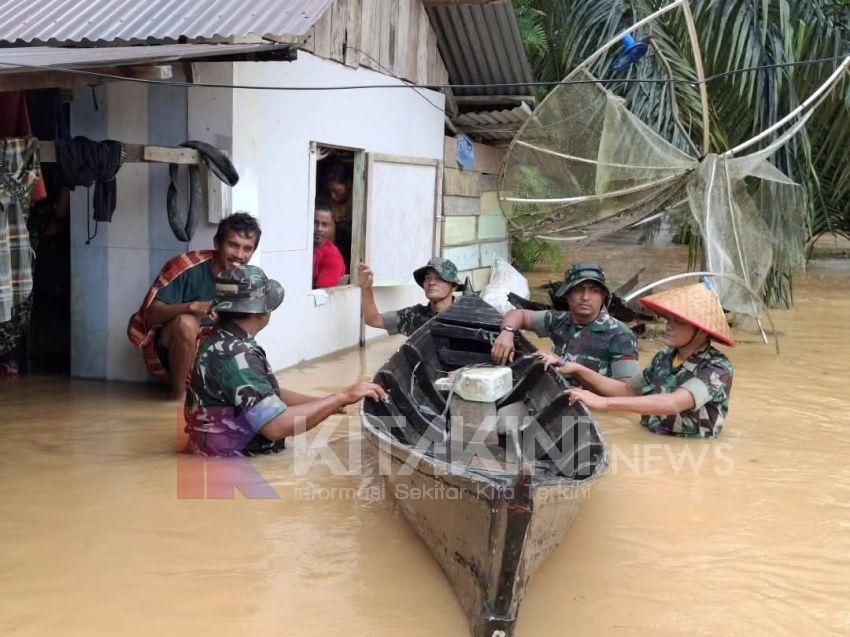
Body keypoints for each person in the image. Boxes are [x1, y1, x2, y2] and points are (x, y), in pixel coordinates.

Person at [182, 265, 388, 456]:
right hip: (236, 466)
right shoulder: (237, 356)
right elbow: (276, 427)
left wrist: (325, 404)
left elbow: (267, 394)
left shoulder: (217, 339)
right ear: (261, 312)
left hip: (209, 455)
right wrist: (343, 396)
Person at [558, 282, 735, 438]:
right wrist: (578, 369)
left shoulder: (718, 367)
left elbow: (672, 403)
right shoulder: (665, 356)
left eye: (679, 322)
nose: (669, 326)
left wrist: (604, 403)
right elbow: (627, 390)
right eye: (669, 319)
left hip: (687, 450)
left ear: (702, 332)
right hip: (651, 437)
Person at [127, 212, 261, 399]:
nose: (239, 255)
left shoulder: (249, 280)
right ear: (217, 244)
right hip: (168, 354)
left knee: (258, 392)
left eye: (247, 249)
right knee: (186, 323)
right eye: (232, 245)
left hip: (215, 356)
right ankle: (178, 395)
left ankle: (311, 409)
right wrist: (192, 307)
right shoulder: (186, 266)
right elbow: (150, 315)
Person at [492, 262, 638, 380]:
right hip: (558, 397)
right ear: (567, 295)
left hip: (591, 409)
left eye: (594, 290)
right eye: (578, 289)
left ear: (603, 297)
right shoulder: (559, 320)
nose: (585, 297)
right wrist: (507, 332)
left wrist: (572, 368)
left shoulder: (620, 336)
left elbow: (624, 393)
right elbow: (519, 314)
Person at [359, 257, 464, 337]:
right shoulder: (413, 316)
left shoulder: (466, 316)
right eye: (428, 278)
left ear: (454, 286)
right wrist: (366, 288)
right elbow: (373, 320)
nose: (431, 282)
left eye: (439, 279)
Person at [321, 162, 352, 267]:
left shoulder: (357, 198)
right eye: (330, 191)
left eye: (337, 190)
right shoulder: (328, 201)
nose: (333, 195)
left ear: (348, 184)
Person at [312, 201, 347, 288]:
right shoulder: (299, 247)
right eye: (315, 222)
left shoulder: (332, 257)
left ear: (331, 227)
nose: (319, 229)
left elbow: (322, 295)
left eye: (325, 224)